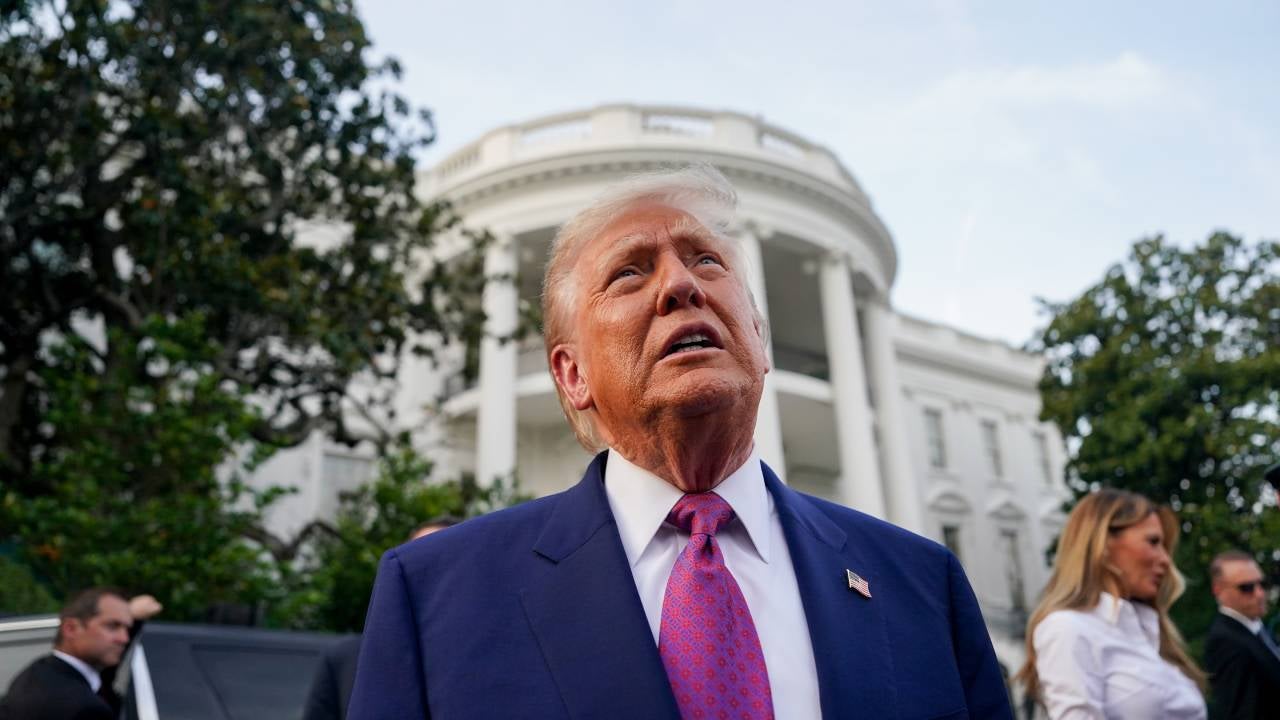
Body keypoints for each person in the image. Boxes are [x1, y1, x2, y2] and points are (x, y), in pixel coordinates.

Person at [348, 164, 1012, 719]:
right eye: (630, 273)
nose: (681, 285)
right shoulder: (437, 598)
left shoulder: (922, 585)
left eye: (705, 259)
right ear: (571, 373)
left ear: (758, 334)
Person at [1016, 489, 1206, 719]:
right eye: (1153, 542)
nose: (1165, 560)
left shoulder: (1149, 630)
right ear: (1103, 544)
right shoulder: (1067, 628)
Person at [301, 517, 461, 720]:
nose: (427, 575)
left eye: (441, 562)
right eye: (418, 561)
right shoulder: (347, 658)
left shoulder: (482, 661)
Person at [0, 587, 161, 720]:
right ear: (71, 628)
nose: (124, 638)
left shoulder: (39, 671)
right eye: (113, 626)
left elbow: (104, 681)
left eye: (126, 628)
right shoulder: (85, 709)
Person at [1204, 550, 1280, 719]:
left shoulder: (1256, 628)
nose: (1259, 594)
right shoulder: (1225, 642)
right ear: (1218, 590)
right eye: (1246, 588)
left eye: (1262, 584)